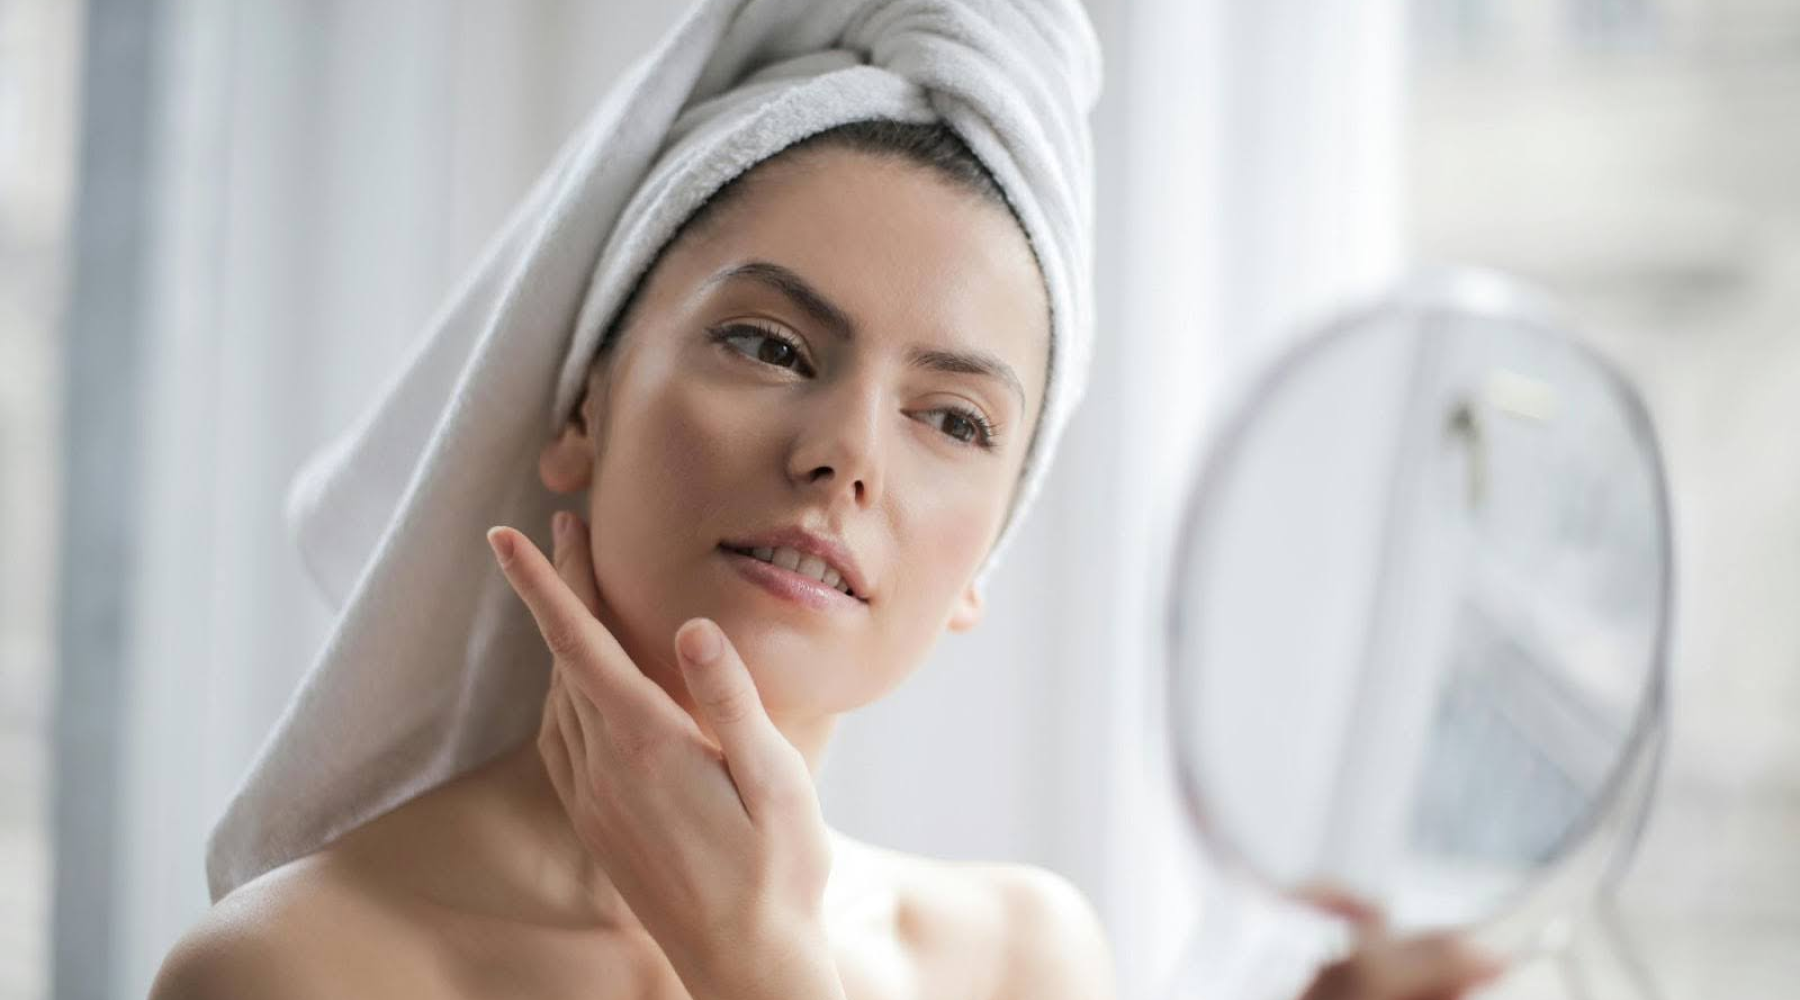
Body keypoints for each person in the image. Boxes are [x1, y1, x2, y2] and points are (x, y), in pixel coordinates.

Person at [148, 3, 1503, 998]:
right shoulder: (296, 970)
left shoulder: (1025, 962)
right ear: (580, 404)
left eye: (954, 420)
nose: (845, 457)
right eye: (770, 345)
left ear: (987, 556)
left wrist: (760, 964)